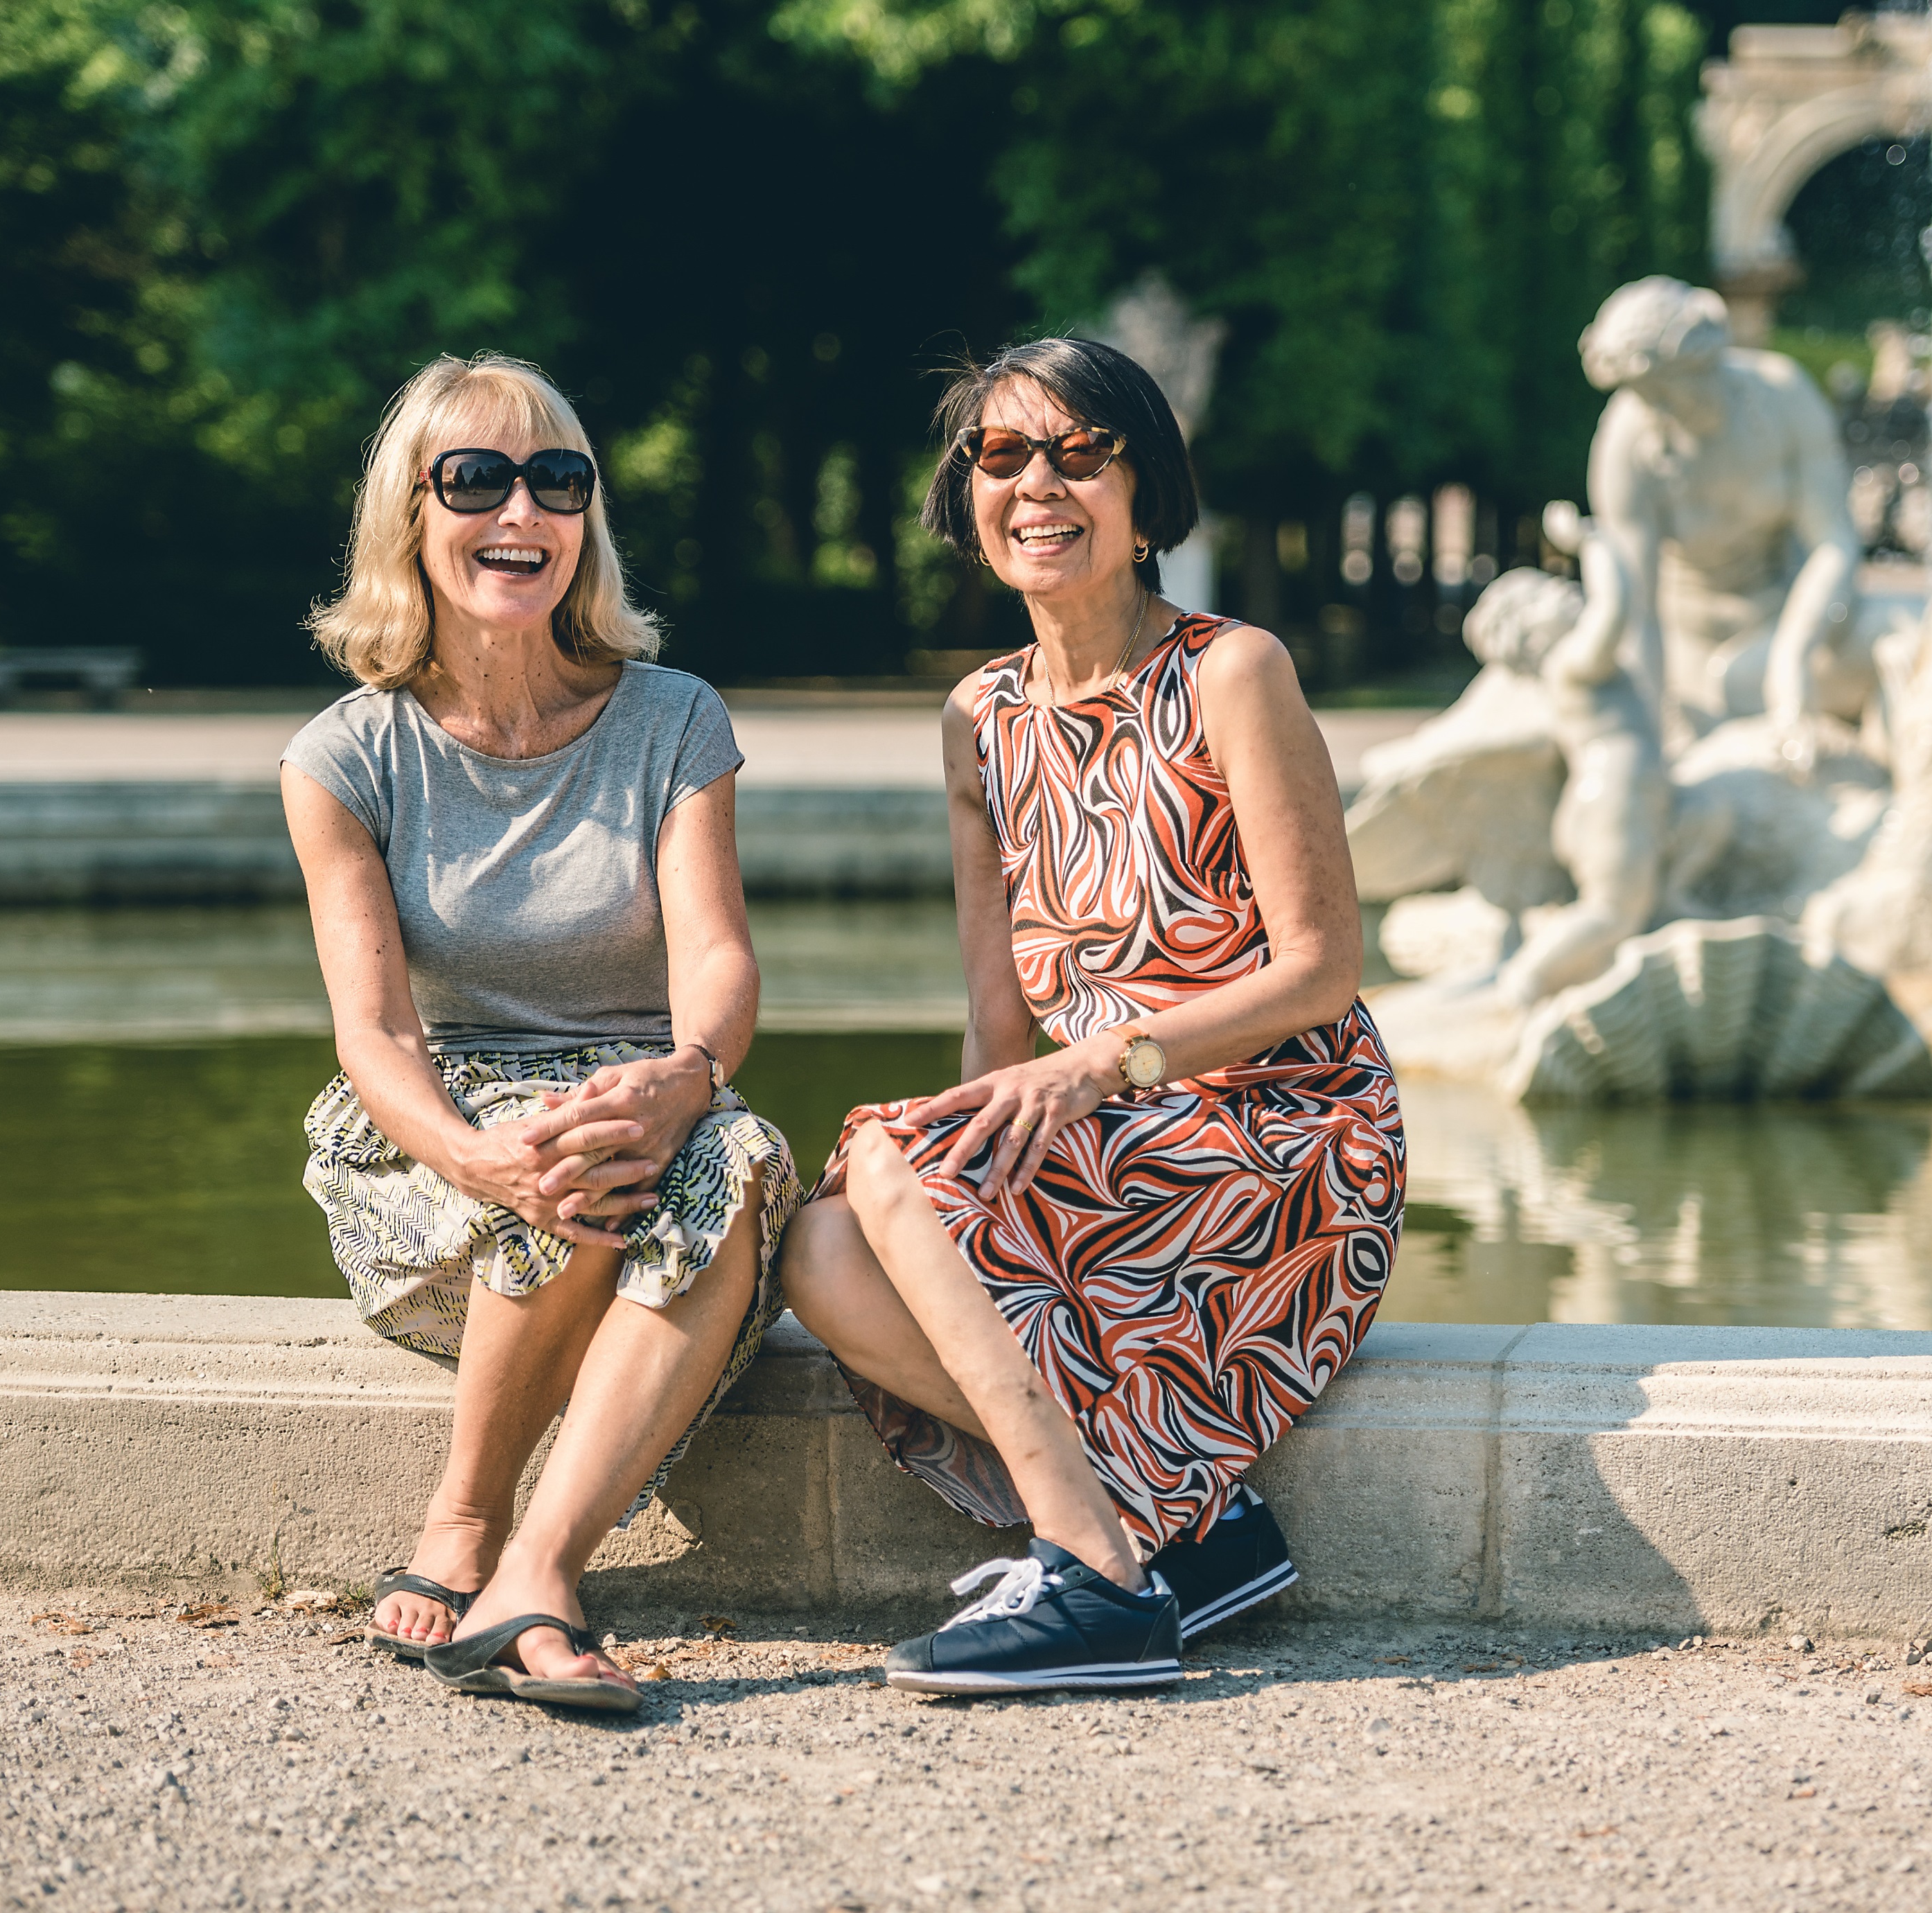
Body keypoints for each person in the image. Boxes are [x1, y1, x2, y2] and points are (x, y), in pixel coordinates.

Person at [776, 337, 1403, 1695]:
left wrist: (1113, 1061)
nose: (1037, 484)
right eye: (1001, 456)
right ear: (967, 495)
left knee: (881, 1156)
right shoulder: (978, 717)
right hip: (1107, 1137)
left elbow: (1324, 970)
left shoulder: (1232, 672)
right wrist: (970, 1167)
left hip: (1284, 1136)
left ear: (1144, 489)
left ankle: (1096, 1574)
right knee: (822, 1243)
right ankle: (1187, 1523)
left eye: (1081, 452)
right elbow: (997, 1024)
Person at [280, 352, 796, 1713]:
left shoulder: (674, 718)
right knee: (566, 1149)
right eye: (478, 479)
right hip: (437, 1140)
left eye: (556, 479)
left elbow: (720, 955)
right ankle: (462, 1516)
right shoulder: (344, 757)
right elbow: (373, 1035)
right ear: (411, 512)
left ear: (587, 517)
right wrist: (477, 1158)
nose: (524, 509)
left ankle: (532, 1574)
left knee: (714, 1163)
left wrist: (691, 1077)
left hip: (652, 1111)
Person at [1581, 276, 1870, 740]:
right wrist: (1651, 735)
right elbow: (1637, 608)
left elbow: (1834, 543)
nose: (1661, 409)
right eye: (1646, 396)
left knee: (1908, 641)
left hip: (1790, 627)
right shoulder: (1627, 438)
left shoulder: (1783, 396)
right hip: (1686, 652)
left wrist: (1792, 657)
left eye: (1668, 389)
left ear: (1709, 361)